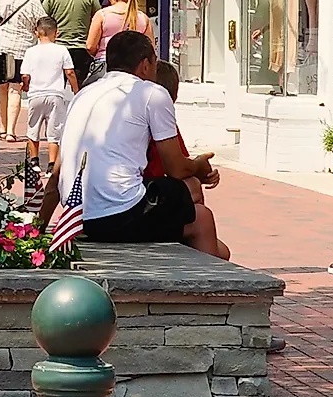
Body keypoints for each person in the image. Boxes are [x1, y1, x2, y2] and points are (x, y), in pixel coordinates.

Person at [57, 30, 229, 257]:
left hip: (78, 213)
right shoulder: (152, 93)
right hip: (118, 213)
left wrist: (39, 225)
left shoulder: (83, 95)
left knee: (184, 201)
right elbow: (176, 168)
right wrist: (198, 166)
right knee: (201, 215)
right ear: (145, 64)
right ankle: (210, 283)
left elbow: (57, 171)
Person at [19, 12, 78, 166]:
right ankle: (52, 163)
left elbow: (25, 75)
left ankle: (34, 161)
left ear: (36, 33)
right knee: (54, 131)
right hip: (55, 95)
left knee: (33, 128)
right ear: (56, 33)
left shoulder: (30, 52)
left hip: (35, 94)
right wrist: (76, 90)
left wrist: (25, 86)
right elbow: (70, 72)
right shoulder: (62, 50)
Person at [0, 0, 43, 138]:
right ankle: (11, 131)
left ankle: (1, 127)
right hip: (21, 49)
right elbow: (40, 23)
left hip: (0, 45)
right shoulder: (32, 1)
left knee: (1, 88)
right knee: (15, 89)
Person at [83, 0, 154, 77]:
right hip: (134, 67)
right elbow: (150, 47)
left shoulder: (102, 15)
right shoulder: (143, 18)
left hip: (105, 65)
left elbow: (90, 46)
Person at [42, 0, 100, 68]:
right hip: (82, 47)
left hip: (58, 46)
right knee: (80, 83)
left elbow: (44, 20)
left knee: (57, 83)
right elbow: (99, 18)